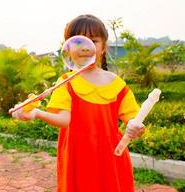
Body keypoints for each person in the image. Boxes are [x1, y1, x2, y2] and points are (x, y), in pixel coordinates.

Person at [11, 14, 145, 192]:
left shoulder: (117, 84)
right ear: (67, 48)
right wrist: (36, 113)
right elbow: (65, 120)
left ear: (104, 47)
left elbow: (134, 120)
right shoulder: (66, 82)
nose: (85, 48)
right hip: (77, 157)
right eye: (78, 42)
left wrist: (136, 128)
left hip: (111, 157)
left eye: (93, 41)